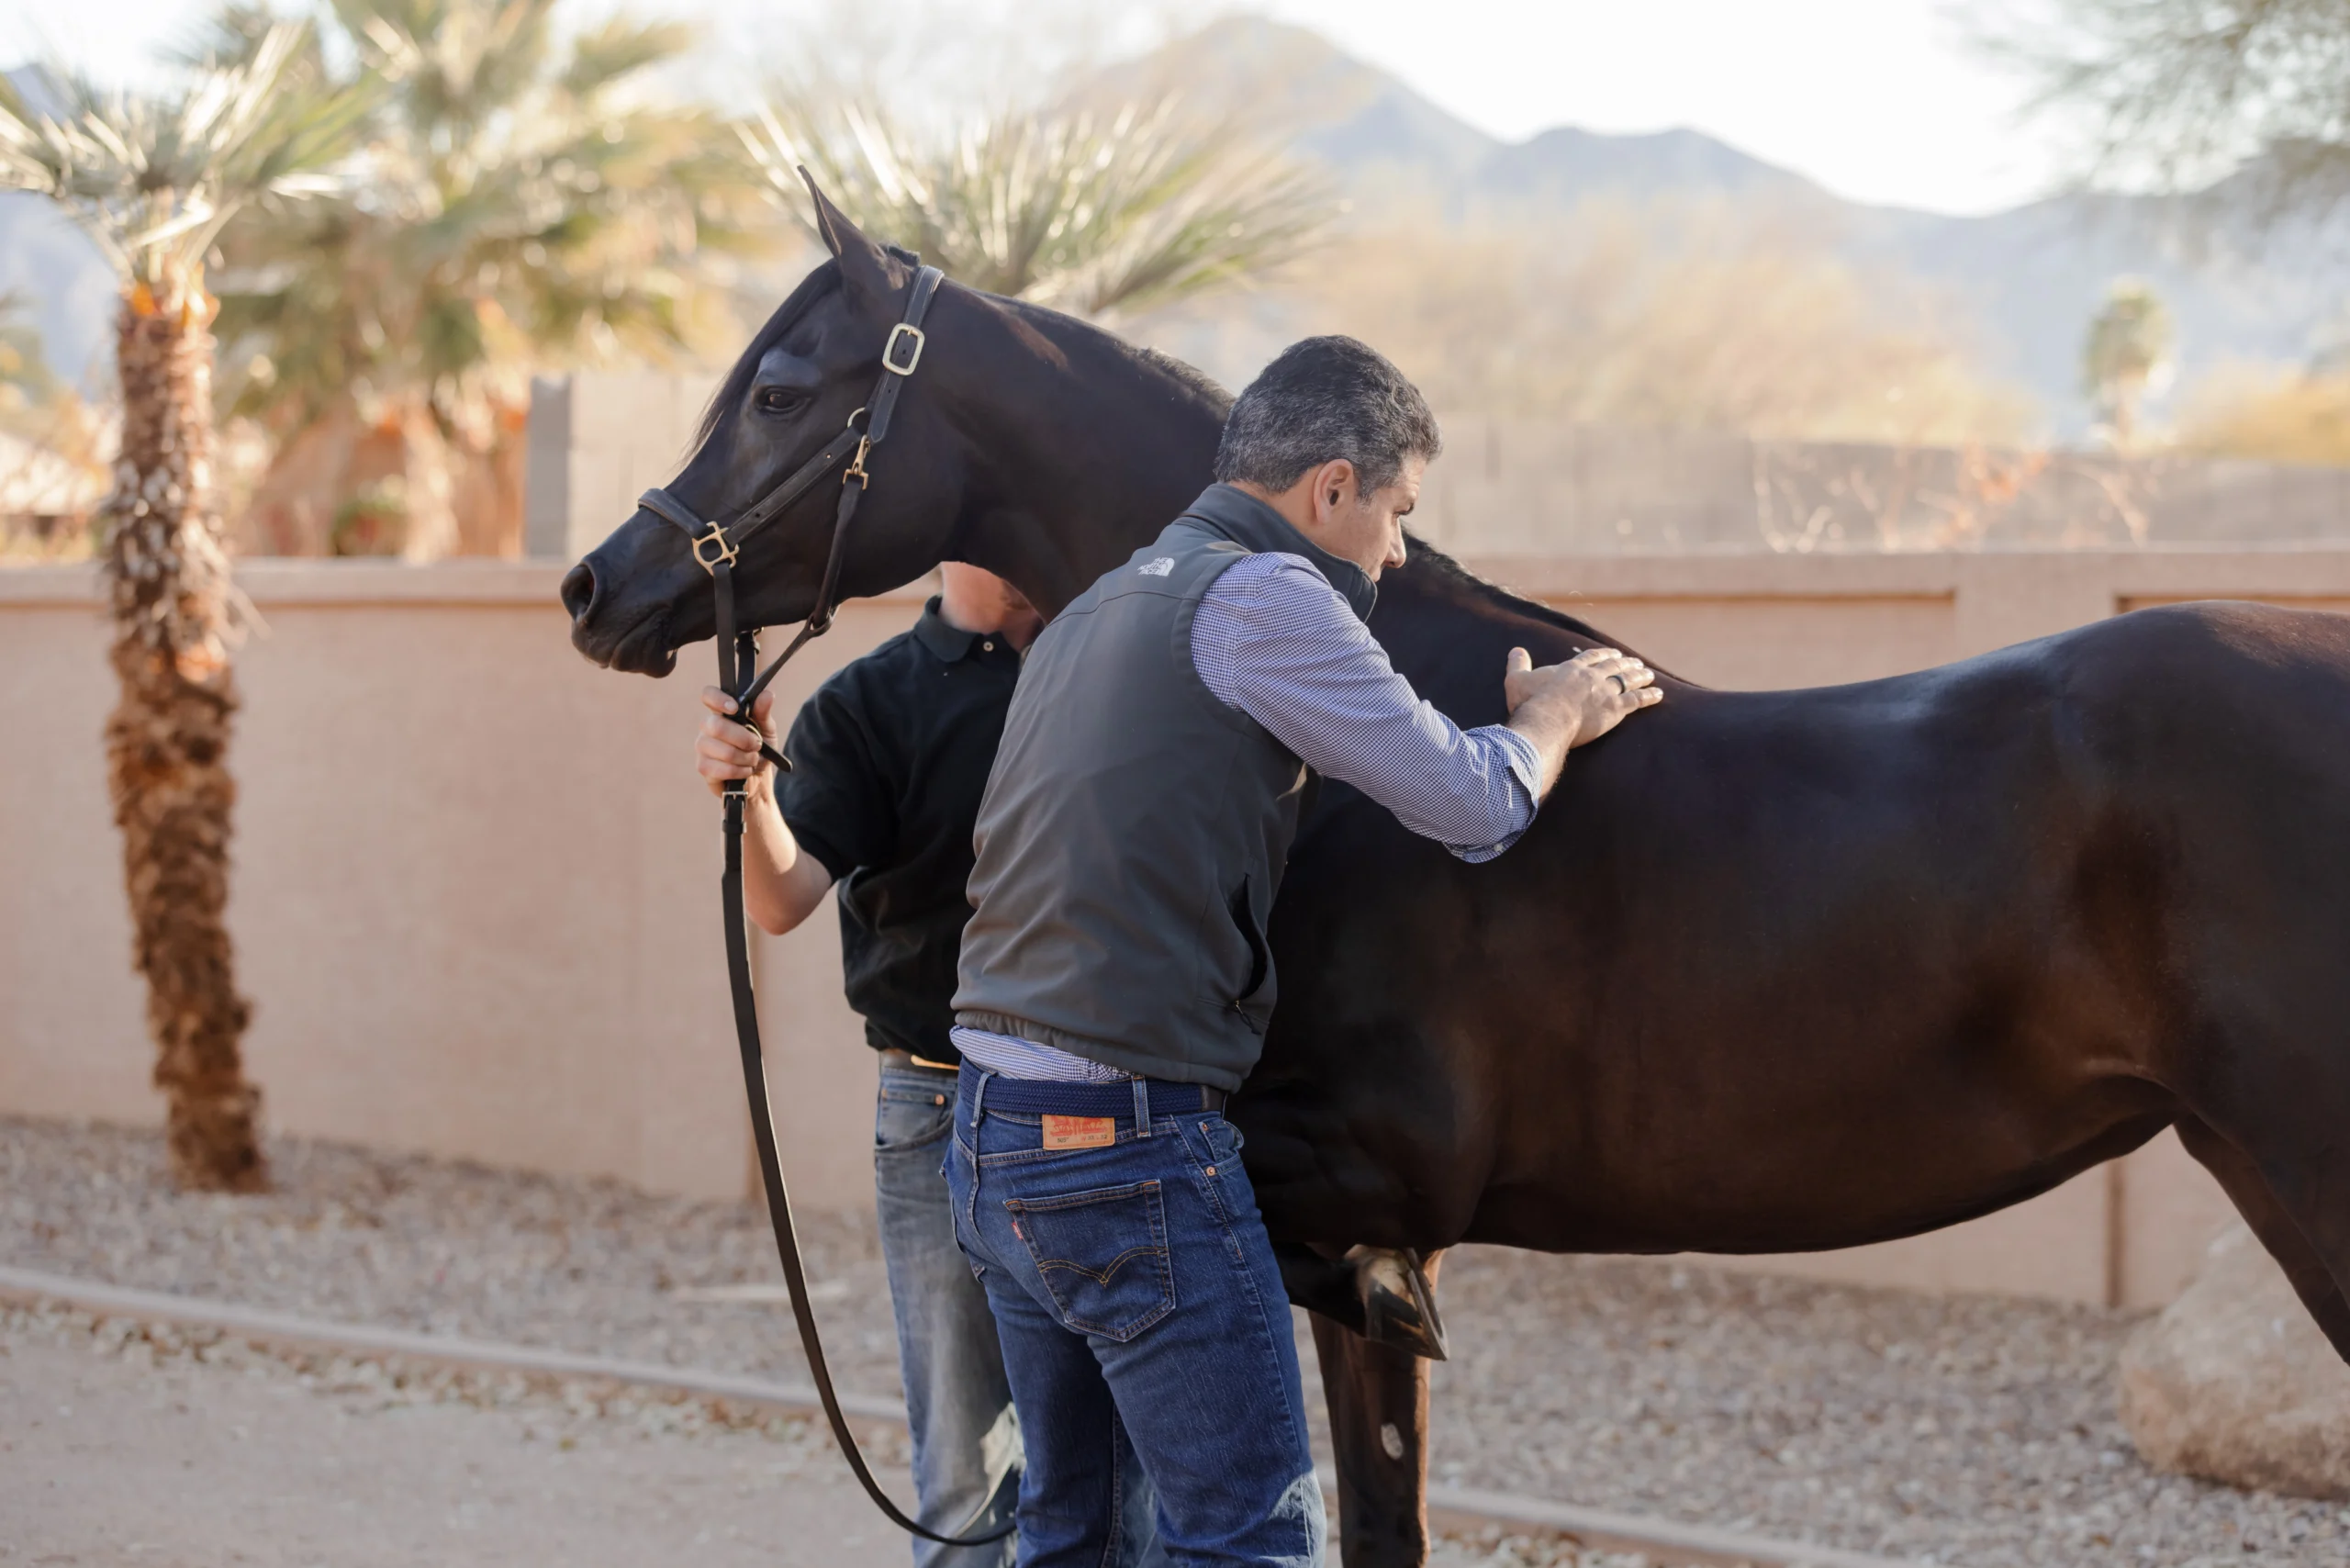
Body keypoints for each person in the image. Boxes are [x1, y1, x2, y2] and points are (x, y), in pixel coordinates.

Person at [944, 336, 1663, 1565]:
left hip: (991, 1142)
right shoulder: (1264, 598)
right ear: (1331, 489)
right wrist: (1550, 718)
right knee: (1246, 1540)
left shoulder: (1095, 610)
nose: (1395, 554)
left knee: (1069, 1533)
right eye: (1397, 514)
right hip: (1126, 1149)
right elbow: (1469, 803)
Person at [692, 564, 1158, 1568]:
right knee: (965, 1469)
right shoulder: (872, 698)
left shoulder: (1117, 661)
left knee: (1135, 1470)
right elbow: (782, 899)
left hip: (1112, 1109)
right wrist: (753, 794)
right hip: (938, 1107)